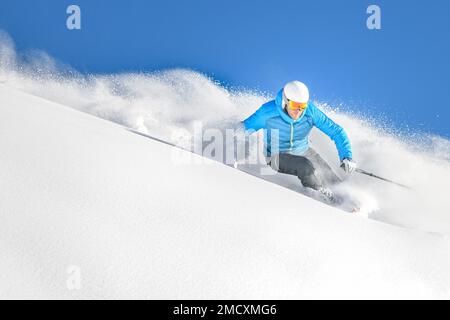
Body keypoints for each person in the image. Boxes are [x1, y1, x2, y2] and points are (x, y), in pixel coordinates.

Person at [241, 81, 357, 203]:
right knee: (305, 165)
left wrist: (347, 156)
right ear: (285, 101)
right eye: (295, 106)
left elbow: (336, 131)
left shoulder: (310, 112)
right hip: (276, 156)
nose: (298, 111)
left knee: (327, 174)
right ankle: (326, 198)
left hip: (304, 151)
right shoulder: (268, 112)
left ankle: (348, 201)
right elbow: (244, 128)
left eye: (302, 107)